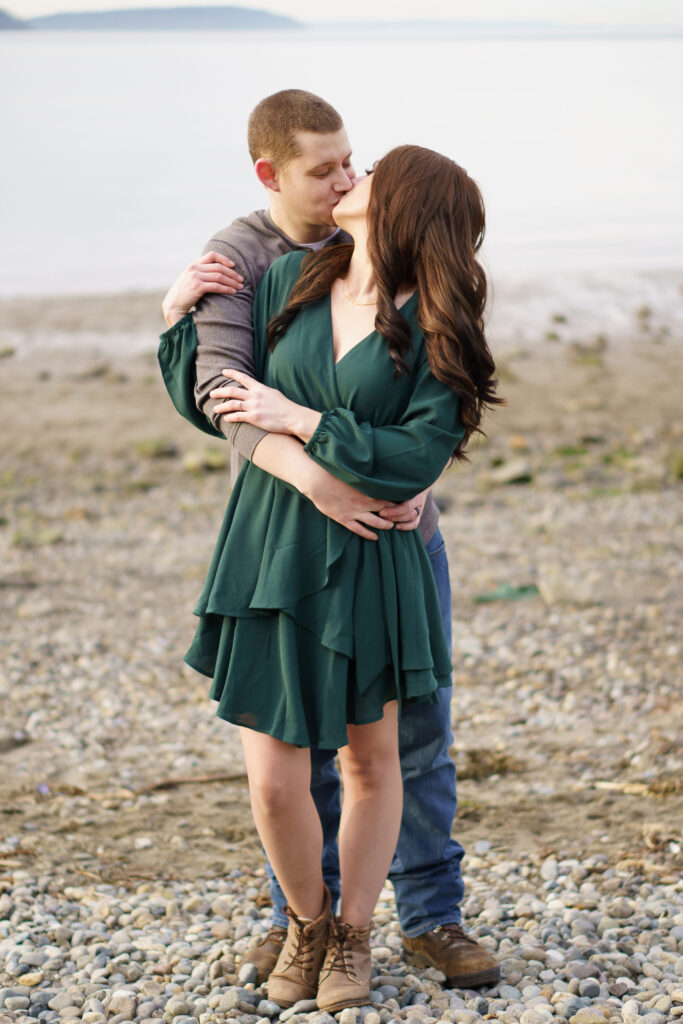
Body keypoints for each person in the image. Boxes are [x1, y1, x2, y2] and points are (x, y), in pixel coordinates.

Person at [159, 90, 500, 991]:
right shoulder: (277, 272)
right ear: (275, 174)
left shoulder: (430, 319)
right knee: (278, 767)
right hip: (274, 543)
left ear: (401, 211)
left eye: (365, 171)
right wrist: (174, 317)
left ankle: (400, 922)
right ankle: (301, 922)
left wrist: (312, 425)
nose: (351, 177)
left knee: (390, 749)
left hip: (383, 547)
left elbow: (418, 447)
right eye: (334, 168)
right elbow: (220, 396)